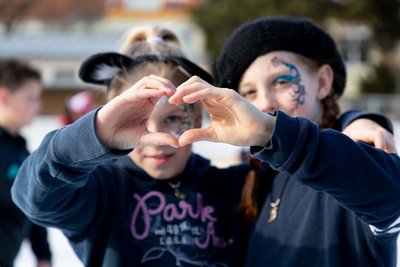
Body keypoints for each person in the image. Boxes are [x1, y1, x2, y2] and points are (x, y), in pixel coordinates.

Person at [10, 25, 397, 267]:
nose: (155, 139)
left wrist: (354, 120)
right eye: (136, 126)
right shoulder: (104, 192)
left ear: (198, 120)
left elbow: (332, 176)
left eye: (174, 119)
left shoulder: (235, 188)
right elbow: (34, 198)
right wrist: (92, 136)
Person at [213, 15, 398, 266]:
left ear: (322, 82)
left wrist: (355, 122)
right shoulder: (255, 182)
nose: (265, 102)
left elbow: (388, 191)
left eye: (280, 81)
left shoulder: (351, 161)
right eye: (249, 92)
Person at [0, 60, 52, 267]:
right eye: (30, 97)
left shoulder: (22, 151)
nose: (37, 105)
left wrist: (43, 254)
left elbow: (31, 205)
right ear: (4, 97)